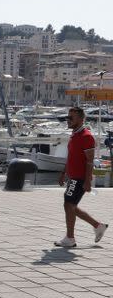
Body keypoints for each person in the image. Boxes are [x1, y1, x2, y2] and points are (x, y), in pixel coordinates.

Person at [55, 106, 108, 247]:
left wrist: (87, 181)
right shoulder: (74, 135)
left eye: (71, 118)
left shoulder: (86, 136)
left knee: (68, 204)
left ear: (80, 118)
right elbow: (70, 158)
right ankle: (98, 226)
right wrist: (63, 173)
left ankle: (70, 238)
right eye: (67, 117)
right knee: (71, 206)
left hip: (79, 178)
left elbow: (89, 161)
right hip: (73, 177)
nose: (68, 120)